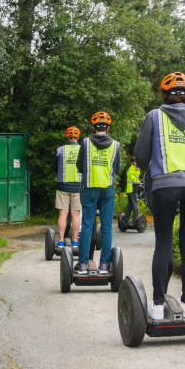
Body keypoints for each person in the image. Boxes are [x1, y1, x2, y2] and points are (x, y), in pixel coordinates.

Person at [134, 72, 185, 319]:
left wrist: (150, 170)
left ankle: (157, 306)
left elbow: (142, 157)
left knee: (164, 243)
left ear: (164, 95)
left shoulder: (154, 117)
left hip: (165, 186)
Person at [75, 111, 120, 274]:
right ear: (108, 127)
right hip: (107, 189)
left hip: (89, 189)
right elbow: (116, 168)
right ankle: (103, 265)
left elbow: (79, 166)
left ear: (94, 127)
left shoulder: (86, 143)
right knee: (107, 226)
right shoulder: (116, 145)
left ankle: (82, 264)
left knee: (87, 225)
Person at [53, 126, 82, 250]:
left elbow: (54, 167)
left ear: (67, 137)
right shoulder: (82, 150)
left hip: (62, 186)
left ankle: (60, 241)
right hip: (78, 186)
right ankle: (75, 242)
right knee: (75, 214)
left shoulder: (60, 150)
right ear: (78, 137)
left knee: (63, 213)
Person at [122, 159, 141, 224]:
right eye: (135, 162)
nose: (136, 163)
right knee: (135, 205)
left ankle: (125, 219)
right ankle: (134, 220)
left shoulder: (134, 169)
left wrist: (138, 171)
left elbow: (136, 177)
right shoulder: (131, 170)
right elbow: (134, 179)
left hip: (131, 190)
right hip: (132, 189)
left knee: (130, 205)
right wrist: (138, 181)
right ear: (133, 162)